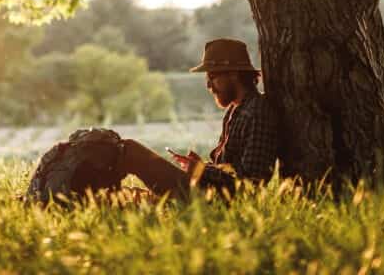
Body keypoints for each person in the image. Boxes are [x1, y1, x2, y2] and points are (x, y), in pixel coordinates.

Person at [116, 38, 279, 199]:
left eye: (212, 77)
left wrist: (201, 170)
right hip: (206, 191)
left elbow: (251, 183)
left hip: (216, 199)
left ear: (233, 74)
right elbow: (227, 170)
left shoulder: (258, 112)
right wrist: (201, 168)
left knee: (130, 150)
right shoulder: (234, 110)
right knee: (126, 194)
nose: (208, 85)